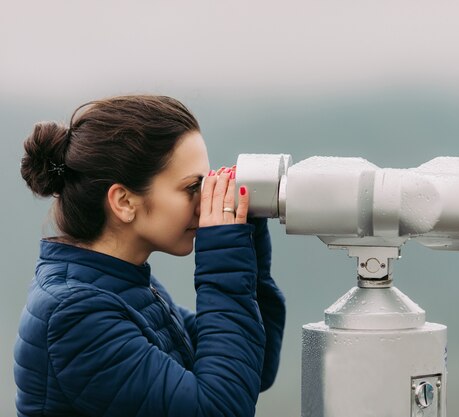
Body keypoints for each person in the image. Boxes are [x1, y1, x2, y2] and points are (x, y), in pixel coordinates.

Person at [14, 95, 286, 417]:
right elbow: (218, 408)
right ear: (124, 202)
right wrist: (224, 256)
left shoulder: (124, 286)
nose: (205, 202)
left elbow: (251, 368)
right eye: (191, 188)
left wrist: (246, 238)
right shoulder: (76, 315)